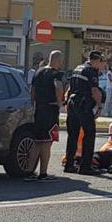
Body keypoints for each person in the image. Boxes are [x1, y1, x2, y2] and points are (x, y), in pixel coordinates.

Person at [63, 50, 106, 175]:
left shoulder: (77, 68)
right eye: (102, 62)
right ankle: (85, 167)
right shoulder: (91, 71)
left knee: (73, 135)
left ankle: (69, 164)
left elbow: (69, 87)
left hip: (72, 103)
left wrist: (66, 102)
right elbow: (94, 91)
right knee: (89, 134)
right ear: (97, 61)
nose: (102, 66)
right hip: (83, 104)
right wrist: (99, 106)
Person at [25, 51, 64, 181]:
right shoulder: (55, 74)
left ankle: (29, 171)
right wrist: (59, 104)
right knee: (47, 142)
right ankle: (43, 173)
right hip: (50, 109)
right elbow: (58, 87)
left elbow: (33, 90)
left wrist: (33, 104)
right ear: (58, 61)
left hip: (39, 109)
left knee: (37, 141)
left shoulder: (38, 72)